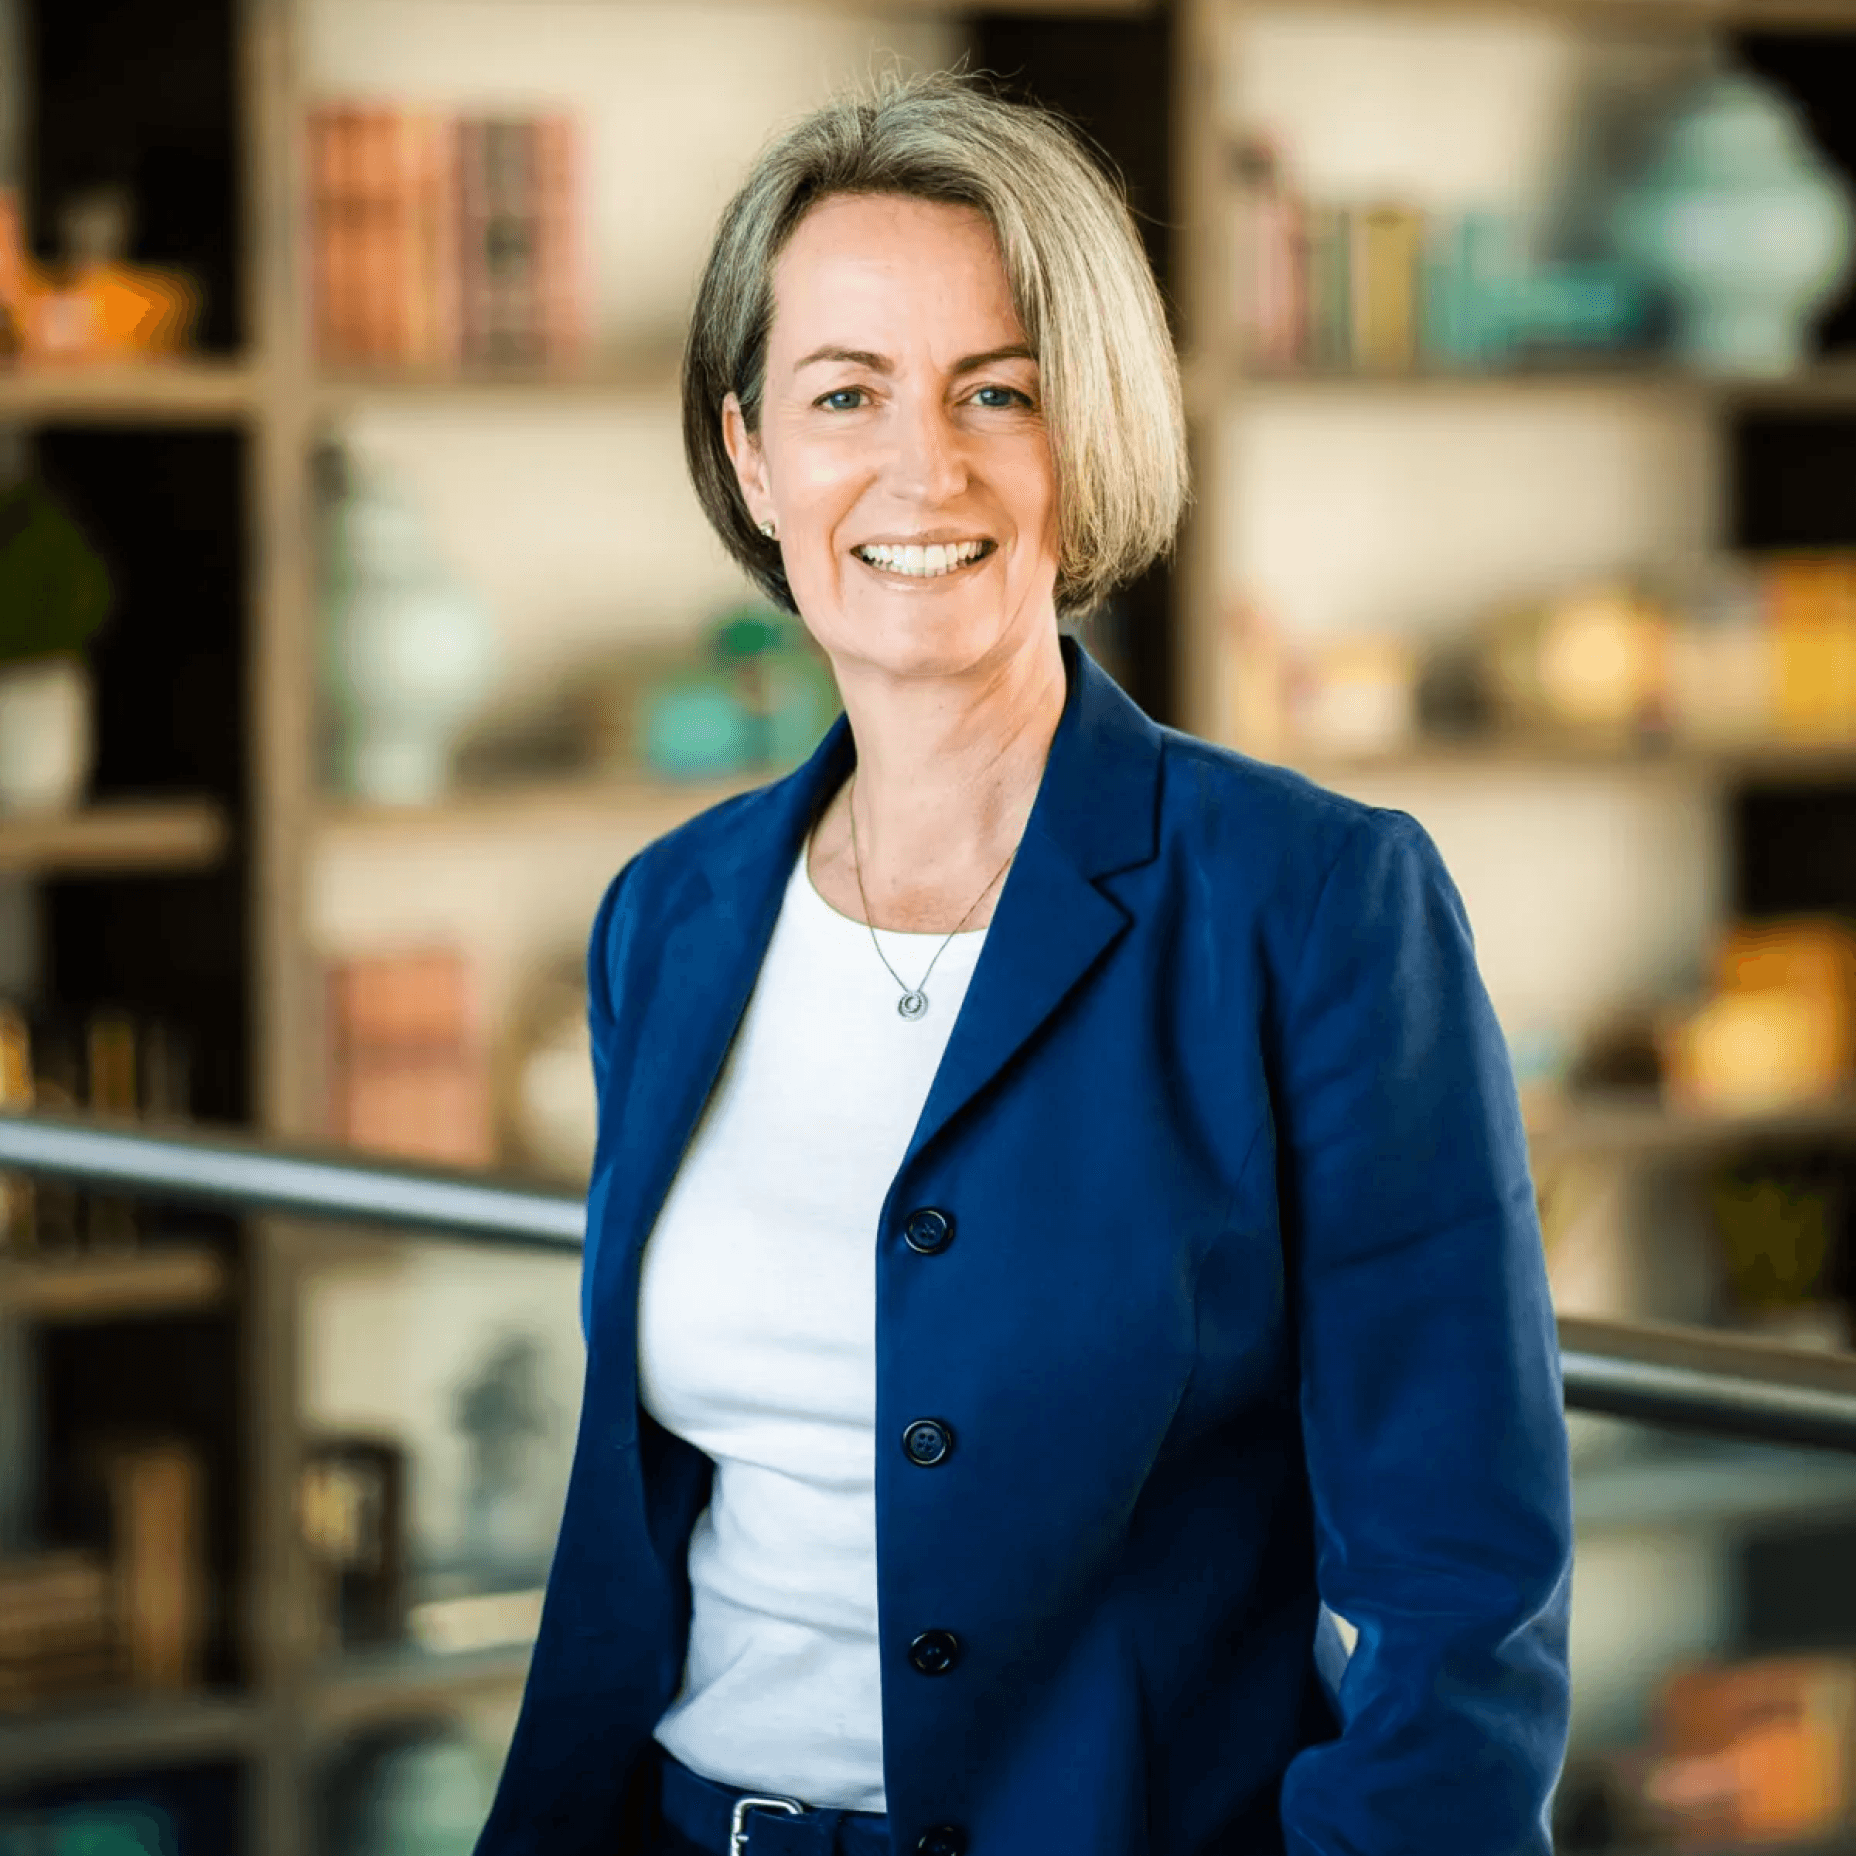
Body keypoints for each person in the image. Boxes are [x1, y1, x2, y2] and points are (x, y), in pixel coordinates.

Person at [474, 70, 1572, 1856]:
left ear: (1096, 436)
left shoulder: (1318, 906)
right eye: (846, 396)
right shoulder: (666, 921)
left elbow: (1466, 1595)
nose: (927, 469)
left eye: (1002, 391)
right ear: (754, 454)